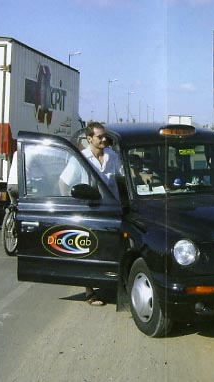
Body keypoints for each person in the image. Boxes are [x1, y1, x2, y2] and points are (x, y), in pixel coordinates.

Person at [59, 121, 123, 306]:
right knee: (89, 250)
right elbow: (63, 183)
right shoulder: (80, 158)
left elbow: (121, 177)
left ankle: (113, 284)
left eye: (105, 137)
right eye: (100, 137)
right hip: (90, 211)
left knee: (109, 248)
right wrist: (70, 206)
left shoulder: (112, 156)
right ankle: (90, 292)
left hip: (111, 210)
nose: (104, 139)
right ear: (89, 139)